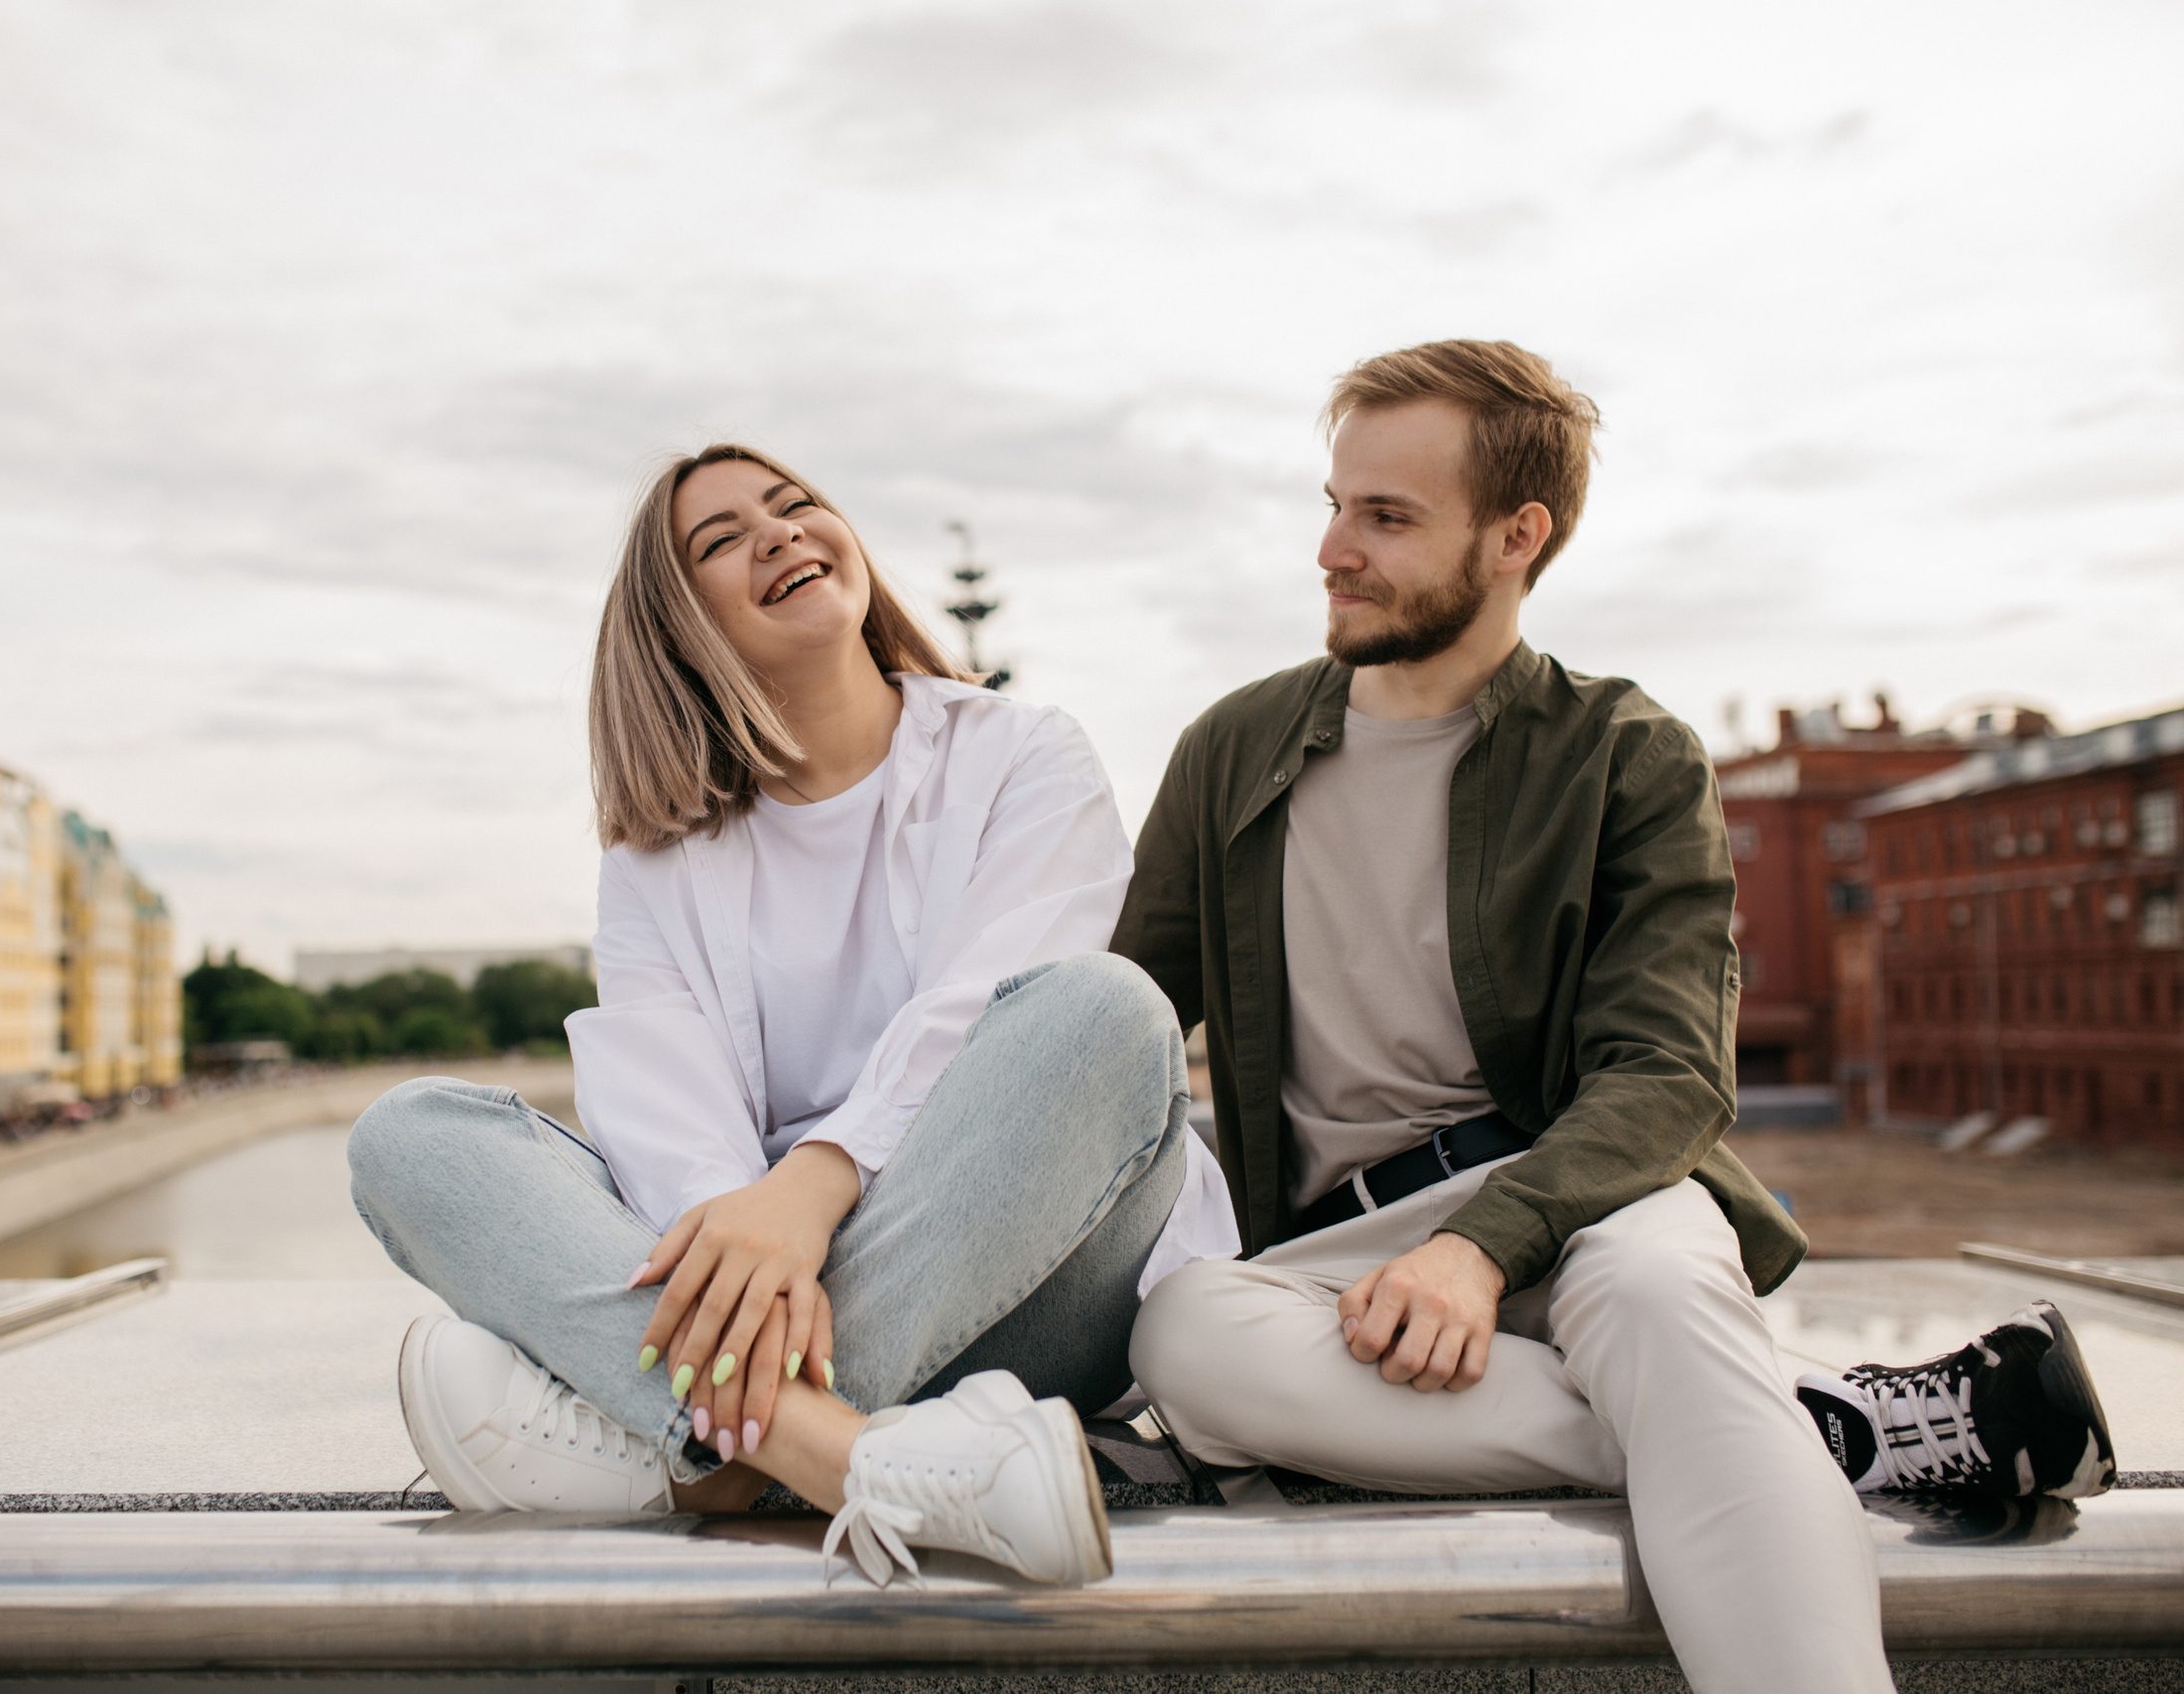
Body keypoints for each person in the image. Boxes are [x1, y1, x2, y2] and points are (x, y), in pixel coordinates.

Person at [1115, 340, 2116, 1694]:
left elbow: (1666, 1075)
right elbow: (1123, 1018)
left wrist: (1484, 1243)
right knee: (1184, 1333)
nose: (1331, 549)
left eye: (1386, 517)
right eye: (1337, 503)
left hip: (1586, 1186)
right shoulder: (1234, 748)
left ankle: (1721, 1425)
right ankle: (1803, 1424)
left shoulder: (1627, 752)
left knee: (1656, 1288)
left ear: (1516, 536)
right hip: (1344, 1249)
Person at [348, 443, 1239, 1589]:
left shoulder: (1023, 752)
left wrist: (809, 1191)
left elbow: (986, 1016)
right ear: (677, 632)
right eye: (720, 541)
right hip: (767, 1291)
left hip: (1034, 1286)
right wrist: (749, 1229)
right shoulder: (656, 857)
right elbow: (665, 1113)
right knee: (412, 1136)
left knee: (1103, 1010)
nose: (778, 534)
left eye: (795, 505)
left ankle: (693, 1461)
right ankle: (843, 1455)